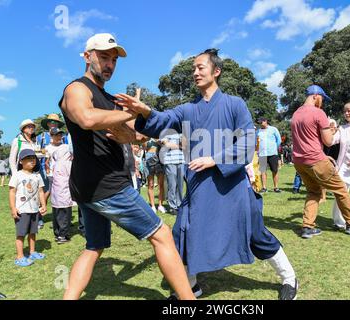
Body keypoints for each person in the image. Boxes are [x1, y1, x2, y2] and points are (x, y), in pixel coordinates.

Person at [114, 48, 298, 300]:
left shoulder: (235, 104)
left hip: (233, 187)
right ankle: (191, 286)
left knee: (255, 233)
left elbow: (246, 143)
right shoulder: (187, 110)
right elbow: (162, 120)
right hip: (200, 187)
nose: (195, 72)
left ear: (216, 71)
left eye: (200, 67)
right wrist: (144, 110)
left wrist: (214, 159)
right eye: (193, 69)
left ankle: (289, 278)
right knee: (183, 232)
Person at [58, 33, 195, 300]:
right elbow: (86, 118)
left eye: (113, 60)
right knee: (162, 235)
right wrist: (130, 113)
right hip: (106, 185)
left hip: (89, 187)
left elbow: (139, 134)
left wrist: (140, 117)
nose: (109, 64)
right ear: (87, 57)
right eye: (103, 57)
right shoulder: (76, 89)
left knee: (94, 247)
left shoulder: (110, 99)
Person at [291, 85, 350, 238]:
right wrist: (332, 131)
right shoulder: (318, 113)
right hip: (316, 160)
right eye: (322, 98)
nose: (322, 102)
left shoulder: (296, 114)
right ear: (316, 96)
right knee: (341, 190)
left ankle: (307, 227)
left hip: (299, 161)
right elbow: (329, 142)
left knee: (314, 191)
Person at [9, 149, 47, 267]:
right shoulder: (17, 175)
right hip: (22, 210)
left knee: (33, 232)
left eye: (33, 158)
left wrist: (44, 204)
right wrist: (13, 208)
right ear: (21, 161)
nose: (32, 160)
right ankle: (20, 257)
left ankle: (32, 252)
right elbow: (12, 192)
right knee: (21, 234)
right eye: (28, 158)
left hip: (34, 210)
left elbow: (41, 192)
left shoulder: (37, 176)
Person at [50, 143, 74, 244]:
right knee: (65, 215)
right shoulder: (67, 163)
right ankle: (63, 235)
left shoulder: (56, 163)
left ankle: (57, 233)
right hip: (64, 192)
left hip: (56, 194)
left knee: (56, 215)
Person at [159, 133, 185, 215]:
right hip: (170, 161)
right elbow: (166, 145)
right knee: (172, 185)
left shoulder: (181, 131)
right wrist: (178, 146)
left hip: (181, 160)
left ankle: (179, 205)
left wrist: (174, 145)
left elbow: (185, 145)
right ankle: (173, 207)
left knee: (180, 185)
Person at [257, 118, 281, 193]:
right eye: (259, 123)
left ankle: (276, 187)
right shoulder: (257, 131)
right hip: (262, 154)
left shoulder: (273, 129)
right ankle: (264, 188)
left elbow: (279, 140)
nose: (260, 124)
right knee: (263, 171)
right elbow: (256, 142)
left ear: (266, 121)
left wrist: (274, 148)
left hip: (272, 153)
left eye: (262, 122)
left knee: (275, 171)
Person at [143, 138, 166, 213]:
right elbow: (144, 148)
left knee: (161, 185)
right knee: (150, 185)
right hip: (149, 163)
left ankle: (160, 205)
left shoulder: (161, 137)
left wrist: (159, 142)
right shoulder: (147, 137)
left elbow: (165, 147)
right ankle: (153, 206)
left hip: (160, 162)